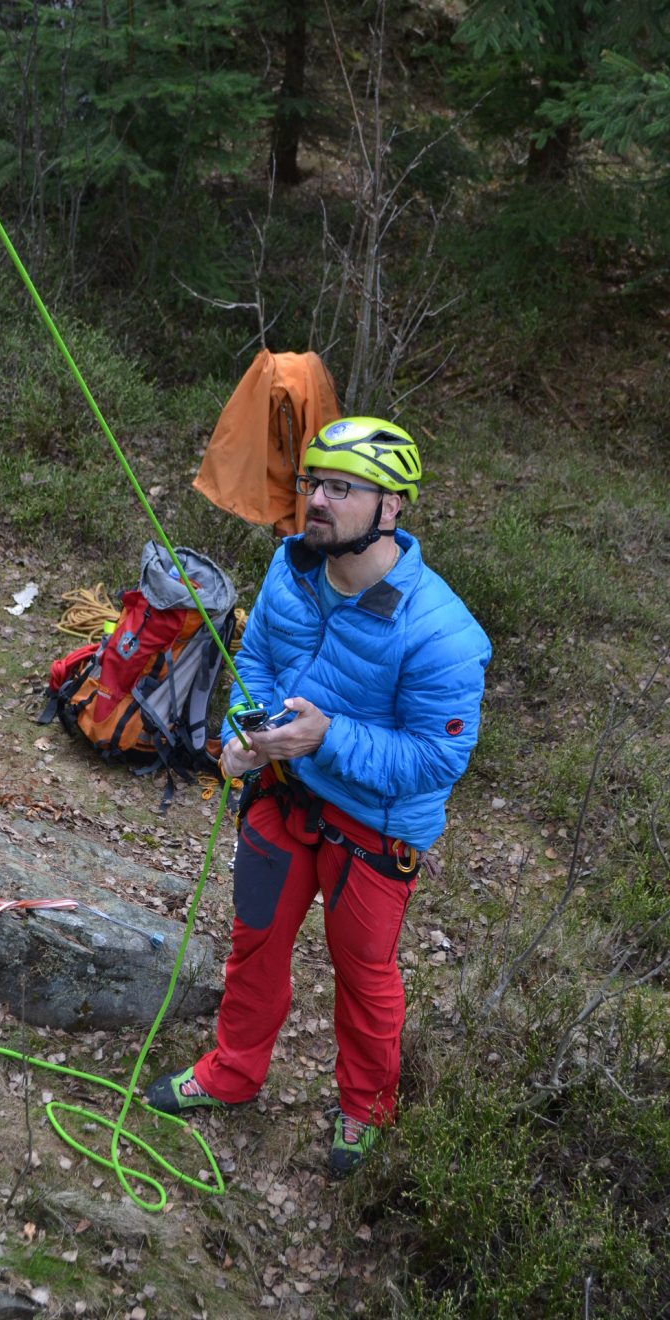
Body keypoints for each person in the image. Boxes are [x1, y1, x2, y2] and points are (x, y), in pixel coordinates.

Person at [144, 416, 491, 1176]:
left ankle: (366, 1110)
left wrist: (324, 740)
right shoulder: (290, 568)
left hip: (374, 827)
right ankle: (232, 1073)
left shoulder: (443, 633)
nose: (319, 502)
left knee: (363, 973)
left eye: (342, 488)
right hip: (282, 792)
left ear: (392, 506)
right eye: (313, 484)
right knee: (255, 940)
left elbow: (439, 759)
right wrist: (246, 731)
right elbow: (258, 661)